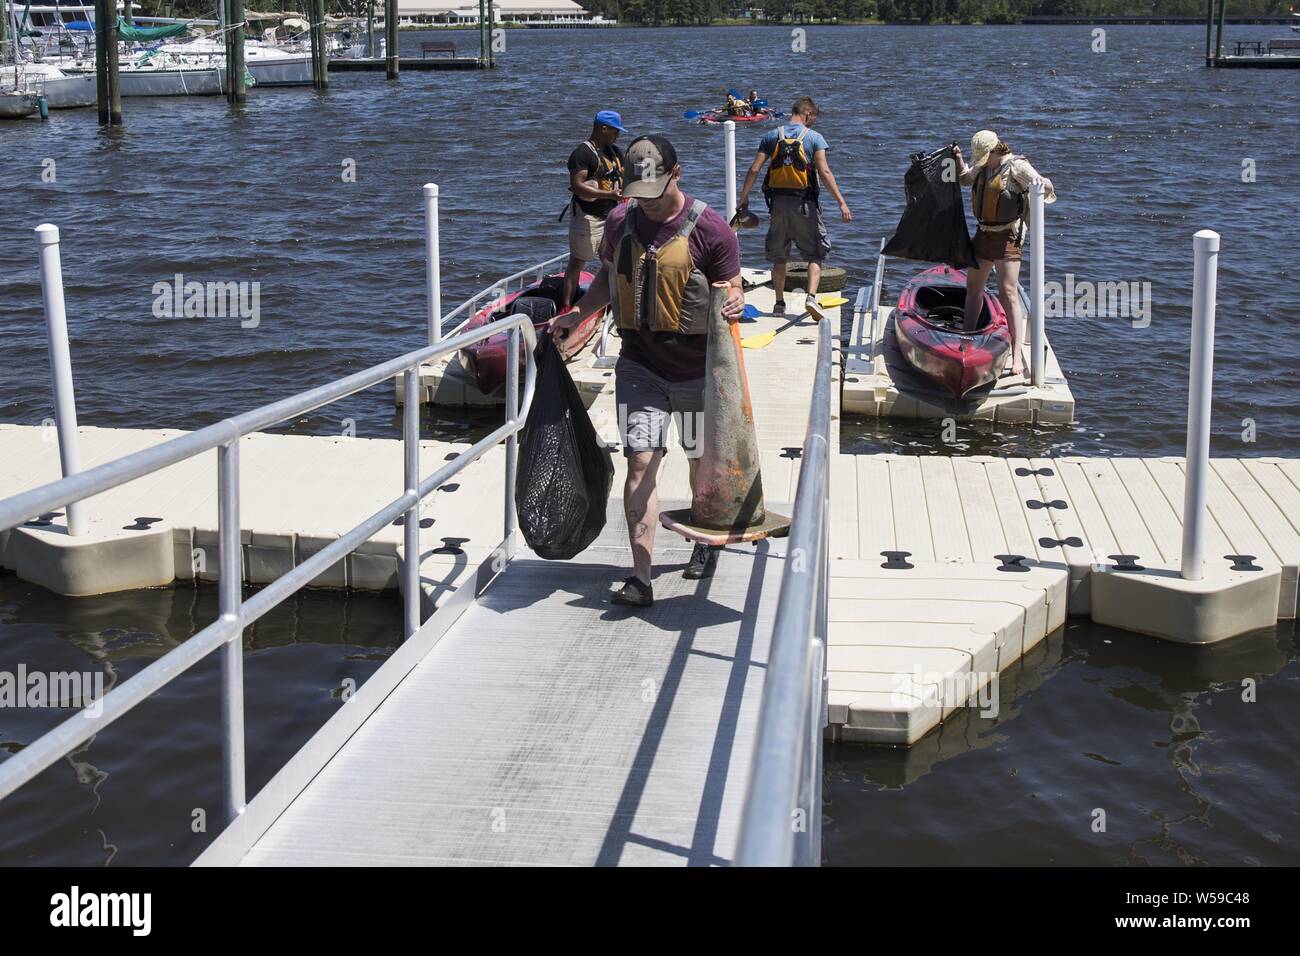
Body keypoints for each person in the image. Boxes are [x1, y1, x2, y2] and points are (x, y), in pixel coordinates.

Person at [552, 134, 745, 608]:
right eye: (638, 194)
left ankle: (703, 539)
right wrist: (579, 312)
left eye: (654, 193)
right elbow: (609, 279)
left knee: (699, 461)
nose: (647, 205)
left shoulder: (712, 229)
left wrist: (737, 297)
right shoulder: (620, 222)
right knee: (640, 462)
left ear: (675, 175)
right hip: (640, 366)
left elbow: (733, 284)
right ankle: (641, 578)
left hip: (698, 374)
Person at [953, 129, 1056, 377]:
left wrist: (1042, 184)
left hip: (1007, 236)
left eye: (983, 156)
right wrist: (958, 159)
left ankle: (1016, 355)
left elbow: (1047, 186)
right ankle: (966, 342)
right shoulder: (983, 167)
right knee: (973, 288)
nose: (981, 161)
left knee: (1008, 292)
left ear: (995, 150)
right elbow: (966, 179)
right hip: (983, 234)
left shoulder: (1016, 167)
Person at [736, 95, 850, 314]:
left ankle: (779, 303)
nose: (814, 121)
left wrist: (744, 197)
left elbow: (753, 169)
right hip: (805, 204)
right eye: (814, 117)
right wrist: (841, 203)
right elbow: (824, 172)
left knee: (779, 256)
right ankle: (811, 298)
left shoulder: (771, 136)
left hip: (777, 205)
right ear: (808, 114)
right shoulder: (814, 138)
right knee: (815, 253)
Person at [562, 110, 627, 313]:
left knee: (610, 262)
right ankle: (566, 307)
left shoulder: (615, 152)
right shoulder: (582, 154)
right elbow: (577, 185)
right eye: (615, 131)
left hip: (612, 217)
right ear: (603, 128)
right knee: (577, 263)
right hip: (588, 217)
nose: (618, 135)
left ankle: (609, 303)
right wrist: (610, 195)